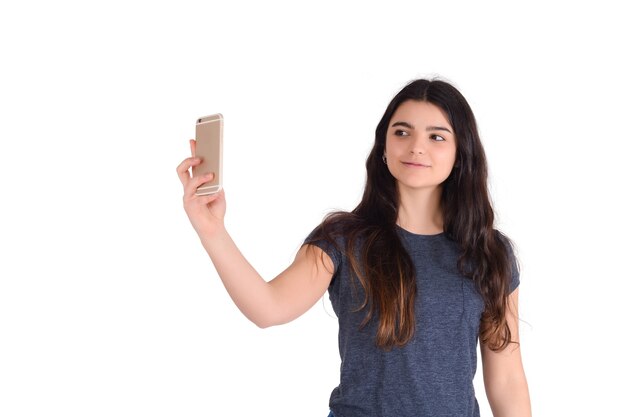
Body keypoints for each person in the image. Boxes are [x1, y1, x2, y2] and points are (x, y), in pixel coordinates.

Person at [176, 78, 531, 417]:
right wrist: (211, 230)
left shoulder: (490, 253)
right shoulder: (344, 239)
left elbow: (506, 380)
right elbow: (268, 308)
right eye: (402, 132)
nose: (416, 146)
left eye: (437, 136)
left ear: (460, 154)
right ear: (384, 148)